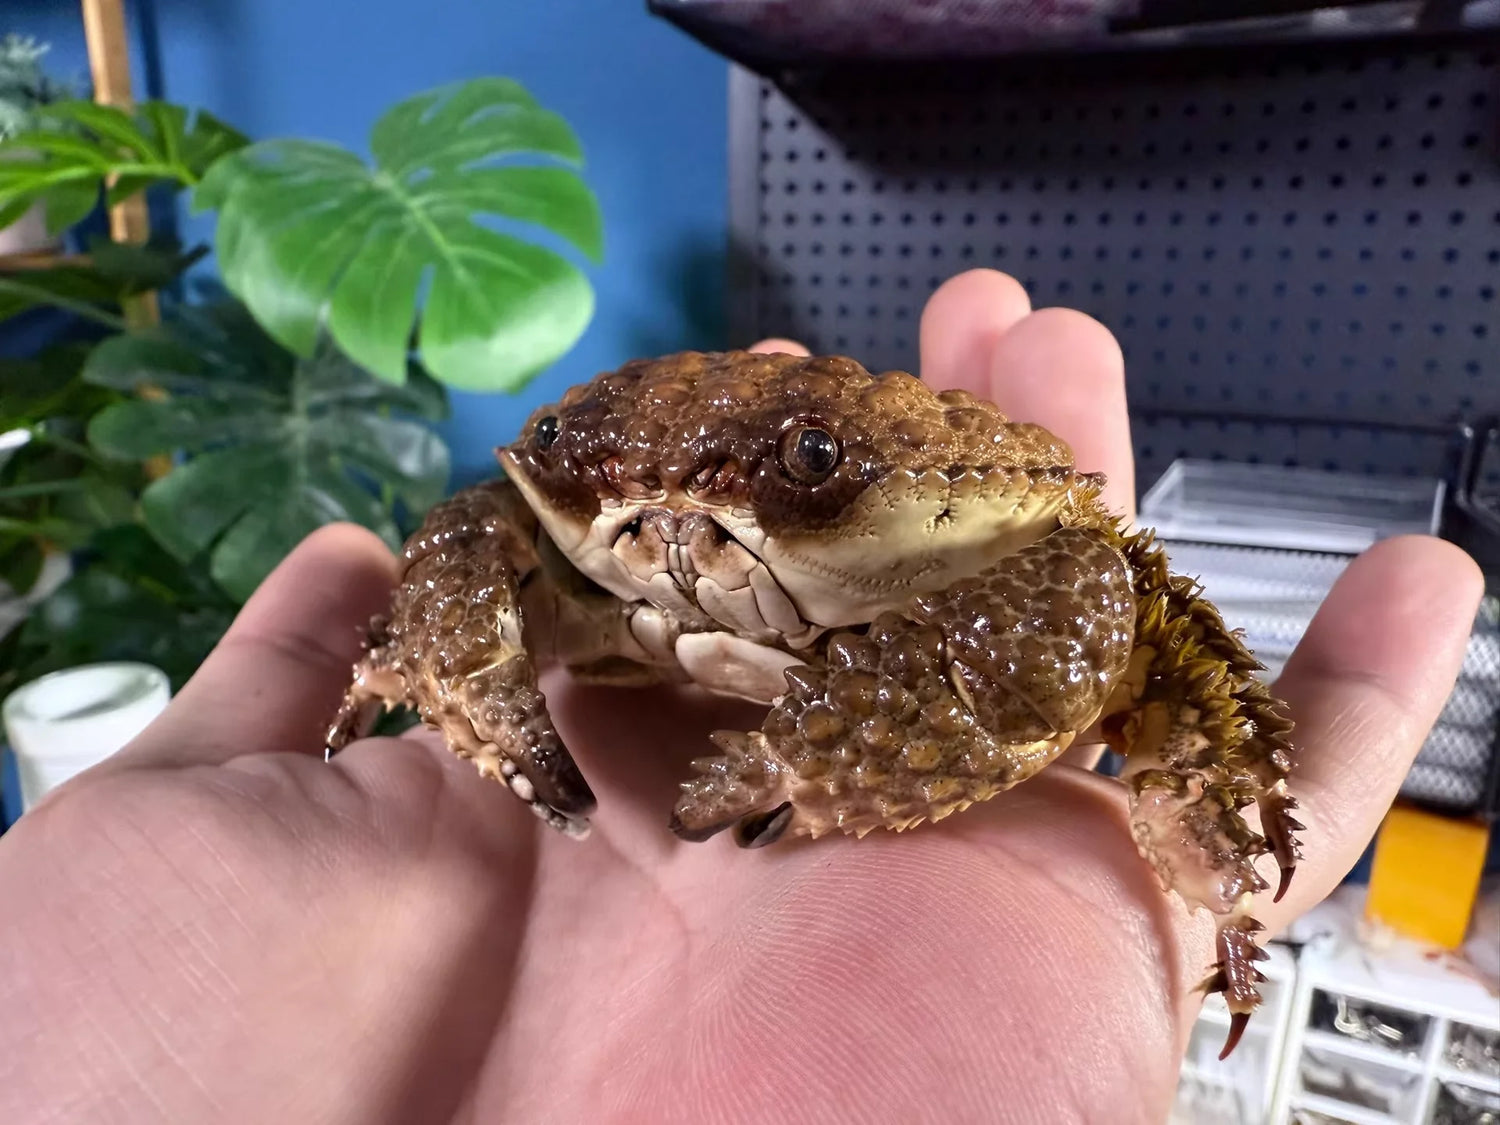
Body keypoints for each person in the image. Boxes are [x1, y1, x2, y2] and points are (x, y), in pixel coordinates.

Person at [0, 269, 1482, 1124]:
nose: (675, 540)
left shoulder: (1031, 551)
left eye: (799, 486)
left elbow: (1101, 590)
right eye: (603, 485)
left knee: (1122, 595)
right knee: (474, 540)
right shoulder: (534, 530)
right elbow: (480, 539)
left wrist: (1210, 847)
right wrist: (478, 678)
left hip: (925, 627)